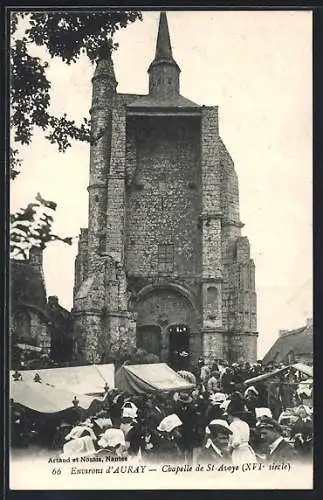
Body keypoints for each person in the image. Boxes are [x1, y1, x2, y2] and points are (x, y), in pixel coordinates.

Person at [225, 392, 257, 465]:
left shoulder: (233, 425)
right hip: (247, 450)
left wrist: (230, 449)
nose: (228, 418)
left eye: (228, 416)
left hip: (239, 452)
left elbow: (237, 441)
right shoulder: (245, 424)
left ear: (231, 415)